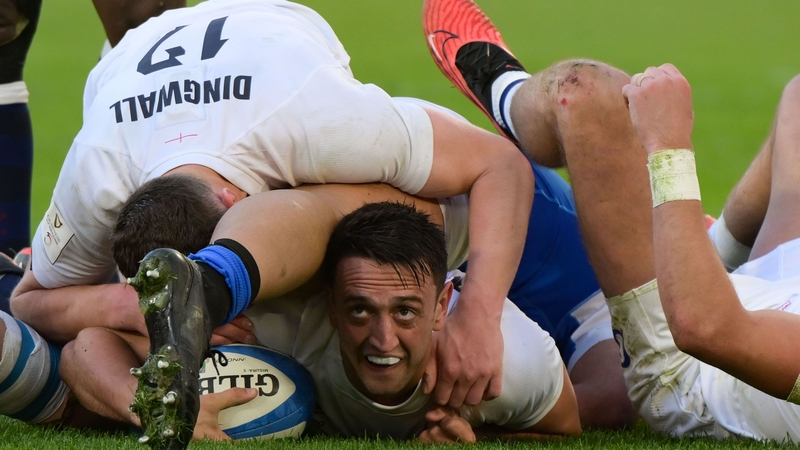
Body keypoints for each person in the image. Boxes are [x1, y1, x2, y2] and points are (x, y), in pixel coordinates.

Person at [10, 0, 531, 427]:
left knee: (386, 215)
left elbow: (501, 164)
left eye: (204, 292)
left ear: (240, 207)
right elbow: (29, 299)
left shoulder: (312, 118)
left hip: (269, 37)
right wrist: (131, 303)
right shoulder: (97, 172)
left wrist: (480, 315)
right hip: (128, 69)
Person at [423, 0, 800, 441]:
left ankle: (502, 88)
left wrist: (668, 146)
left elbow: (706, 328)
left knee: (587, 94)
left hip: (694, 359)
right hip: (778, 292)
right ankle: (711, 252)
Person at [69, 199, 582, 445]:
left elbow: (568, 430)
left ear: (443, 303)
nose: (384, 340)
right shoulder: (277, 325)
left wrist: (485, 440)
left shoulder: (508, 363)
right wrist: (159, 411)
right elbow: (86, 347)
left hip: (542, 231)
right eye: (360, 310)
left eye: (405, 311)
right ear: (331, 305)